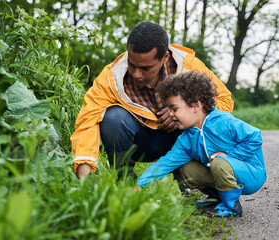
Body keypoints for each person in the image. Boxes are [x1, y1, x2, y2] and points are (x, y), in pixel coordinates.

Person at [70, 21, 234, 180]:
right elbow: (87, 121)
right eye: (132, 64)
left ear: (165, 57)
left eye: (146, 68)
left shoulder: (190, 67)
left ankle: (191, 183)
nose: (136, 74)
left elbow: (224, 101)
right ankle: (124, 182)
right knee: (113, 118)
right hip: (142, 142)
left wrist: (186, 112)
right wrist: (84, 172)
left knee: (207, 119)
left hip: (182, 141)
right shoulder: (110, 78)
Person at [136, 71, 267, 217]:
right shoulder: (186, 139)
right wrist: (139, 185)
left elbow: (255, 136)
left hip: (251, 173)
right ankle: (217, 198)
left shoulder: (224, 121)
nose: (171, 114)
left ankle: (231, 207)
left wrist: (229, 155)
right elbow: (165, 163)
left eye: (174, 108)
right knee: (188, 169)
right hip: (222, 172)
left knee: (219, 162)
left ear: (195, 105)